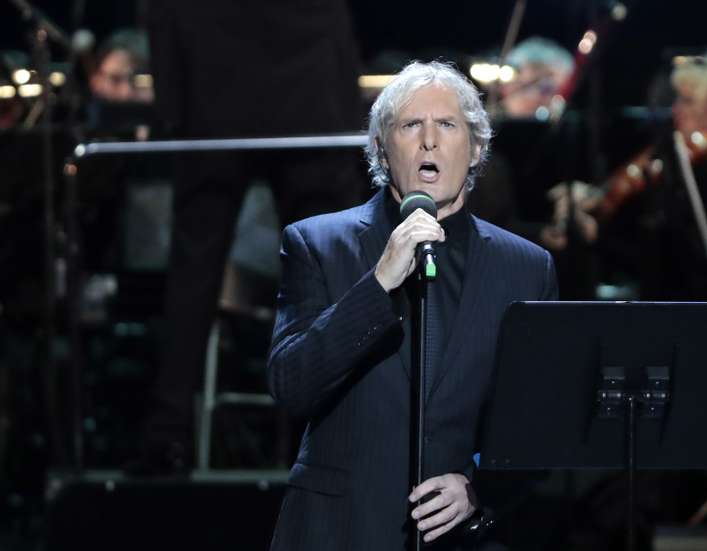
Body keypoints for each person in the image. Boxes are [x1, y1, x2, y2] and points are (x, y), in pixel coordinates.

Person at [266, 61, 558, 550]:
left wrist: (476, 487)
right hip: (338, 531)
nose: (429, 141)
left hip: (454, 537)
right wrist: (378, 284)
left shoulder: (526, 268)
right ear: (382, 147)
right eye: (410, 126)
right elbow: (291, 385)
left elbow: (538, 421)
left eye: (446, 125)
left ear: (477, 146)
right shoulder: (318, 244)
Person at [126, 0, 365, 475]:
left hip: (215, 94)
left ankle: (167, 434)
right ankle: (334, 434)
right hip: (308, 93)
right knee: (324, 270)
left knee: (195, 273)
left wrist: (173, 105)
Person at [544, 53, 707, 301]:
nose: (676, 109)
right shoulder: (683, 159)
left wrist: (599, 238)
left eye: (688, 101)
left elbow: (675, 263)